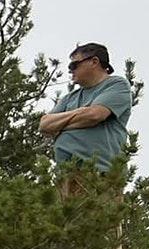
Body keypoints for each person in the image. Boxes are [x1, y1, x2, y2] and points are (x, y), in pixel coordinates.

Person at [39, 42, 134, 175]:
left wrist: (60, 125)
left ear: (94, 61)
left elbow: (95, 115)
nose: (70, 70)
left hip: (102, 176)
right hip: (66, 177)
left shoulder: (117, 85)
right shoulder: (69, 98)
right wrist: (81, 114)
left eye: (74, 65)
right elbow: (44, 125)